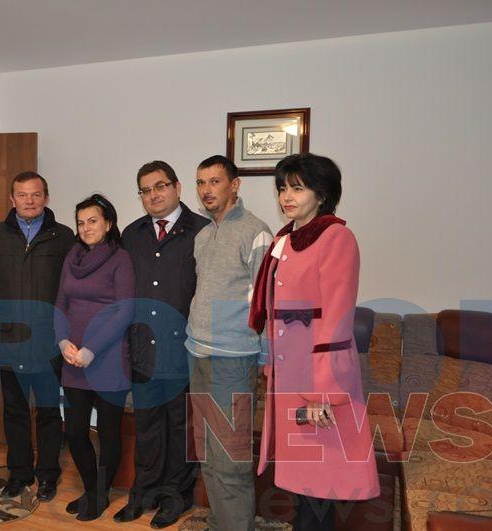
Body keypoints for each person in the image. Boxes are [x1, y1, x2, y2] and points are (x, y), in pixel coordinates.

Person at [250, 153, 379, 530]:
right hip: (290, 377)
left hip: (320, 379)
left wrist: (322, 391)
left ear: (322, 194)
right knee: (303, 480)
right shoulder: (286, 239)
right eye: (282, 188)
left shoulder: (336, 237)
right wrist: (271, 364)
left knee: (321, 479)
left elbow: (336, 320)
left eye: (297, 188)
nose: (286, 197)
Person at [117, 161, 209, 529]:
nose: (153, 195)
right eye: (145, 190)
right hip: (143, 350)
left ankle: (175, 498)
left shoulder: (202, 231)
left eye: (160, 186)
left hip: (184, 352)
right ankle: (144, 493)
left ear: (177, 187)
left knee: (180, 430)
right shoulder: (132, 234)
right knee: (148, 428)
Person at [185, 155, 272, 531]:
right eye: (201, 182)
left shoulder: (256, 232)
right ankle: (222, 523)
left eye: (215, 181)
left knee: (230, 457)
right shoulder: (203, 235)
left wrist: (266, 358)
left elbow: (267, 303)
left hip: (233, 359)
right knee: (207, 451)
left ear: (235, 185)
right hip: (197, 353)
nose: (206, 190)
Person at [0, 171, 75, 502]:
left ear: (46, 197)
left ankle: (48, 474)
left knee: (48, 411)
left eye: (35, 194)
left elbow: (70, 291)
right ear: (12, 199)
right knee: (15, 411)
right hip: (8, 339)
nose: (29, 200)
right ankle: (19, 474)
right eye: (22, 194)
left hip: (48, 341)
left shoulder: (63, 236)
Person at [54, 194, 136, 521]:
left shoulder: (121, 258)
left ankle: (100, 493)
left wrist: (91, 349)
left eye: (93, 221)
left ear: (108, 223)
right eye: (81, 222)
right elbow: (60, 303)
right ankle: (91, 489)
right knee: (74, 431)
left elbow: (124, 311)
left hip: (109, 359)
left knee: (107, 432)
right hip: (73, 359)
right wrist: (63, 341)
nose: (86, 228)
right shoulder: (72, 256)